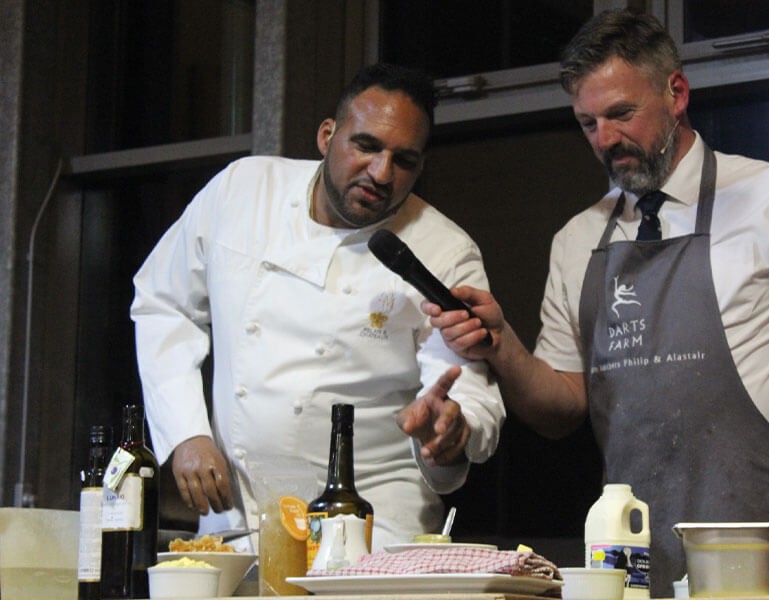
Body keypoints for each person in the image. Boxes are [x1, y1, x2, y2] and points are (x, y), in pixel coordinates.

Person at [423, 9, 769, 594]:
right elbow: (561, 406)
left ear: (676, 92)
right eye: (588, 123)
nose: (605, 139)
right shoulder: (577, 240)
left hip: (759, 539)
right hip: (628, 552)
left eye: (622, 114)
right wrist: (501, 346)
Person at [130, 63, 505, 549]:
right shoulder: (242, 192)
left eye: (404, 160)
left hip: (371, 533)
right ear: (328, 135)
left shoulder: (444, 252)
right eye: (366, 146)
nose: (381, 173)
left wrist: (451, 429)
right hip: (238, 518)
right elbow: (164, 303)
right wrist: (185, 432)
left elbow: (468, 397)